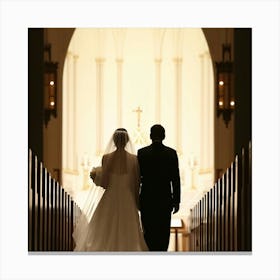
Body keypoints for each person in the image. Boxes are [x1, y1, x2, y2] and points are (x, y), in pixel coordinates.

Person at [73, 128, 148, 251]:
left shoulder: (106, 158)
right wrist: (136, 201)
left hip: (110, 197)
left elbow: (105, 183)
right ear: (127, 141)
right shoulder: (134, 159)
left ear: (113, 141)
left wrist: (96, 178)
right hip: (127, 198)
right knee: (128, 229)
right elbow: (136, 183)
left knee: (104, 229)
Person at [137, 124, 181, 251]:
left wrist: (137, 198)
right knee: (163, 233)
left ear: (150, 136)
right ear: (164, 136)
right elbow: (175, 179)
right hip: (165, 200)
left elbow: (138, 178)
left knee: (148, 233)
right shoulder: (171, 153)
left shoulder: (142, 153)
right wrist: (176, 201)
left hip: (147, 199)